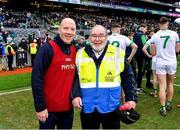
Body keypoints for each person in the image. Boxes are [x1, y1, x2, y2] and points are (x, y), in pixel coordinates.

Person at [72, 25, 137, 129]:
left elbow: (128, 77)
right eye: (94, 36)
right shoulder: (79, 54)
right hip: (88, 107)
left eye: (101, 35)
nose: (97, 39)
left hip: (111, 107)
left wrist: (131, 98)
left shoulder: (118, 53)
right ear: (89, 38)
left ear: (107, 37)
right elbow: (75, 78)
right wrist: (75, 95)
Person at [31, 18, 77, 129]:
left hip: (67, 110)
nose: (69, 32)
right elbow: (36, 79)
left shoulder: (74, 50)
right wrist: (40, 107)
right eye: (66, 28)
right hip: (48, 110)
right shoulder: (47, 48)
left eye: (72, 29)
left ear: (75, 32)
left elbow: (76, 78)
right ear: (59, 30)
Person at [147, 17, 179, 116]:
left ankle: (163, 108)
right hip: (171, 61)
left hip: (160, 62)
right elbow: (178, 50)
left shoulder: (155, 35)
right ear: (168, 23)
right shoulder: (174, 34)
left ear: (159, 24)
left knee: (162, 85)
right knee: (170, 84)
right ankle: (168, 103)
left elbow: (153, 53)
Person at [142, 30, 158, 97]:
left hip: (154, 59)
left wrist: (149, 55)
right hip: (163, 59)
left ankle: (155, 93)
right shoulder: (159, 38)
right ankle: (165, 92)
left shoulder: (151, 40)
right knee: (163, 76)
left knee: (155, 76)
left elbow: (143, 49)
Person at [133, 24, 148, 93]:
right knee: (141, 71)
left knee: (137, 70)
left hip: (136, 54)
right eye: (146, 29)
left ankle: (135, 85)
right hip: (142, 55)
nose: (146, 30)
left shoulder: (135, 34)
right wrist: (149, 54)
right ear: (143, 28)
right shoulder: (142, 35)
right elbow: (145, 44)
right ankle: (138, 87)